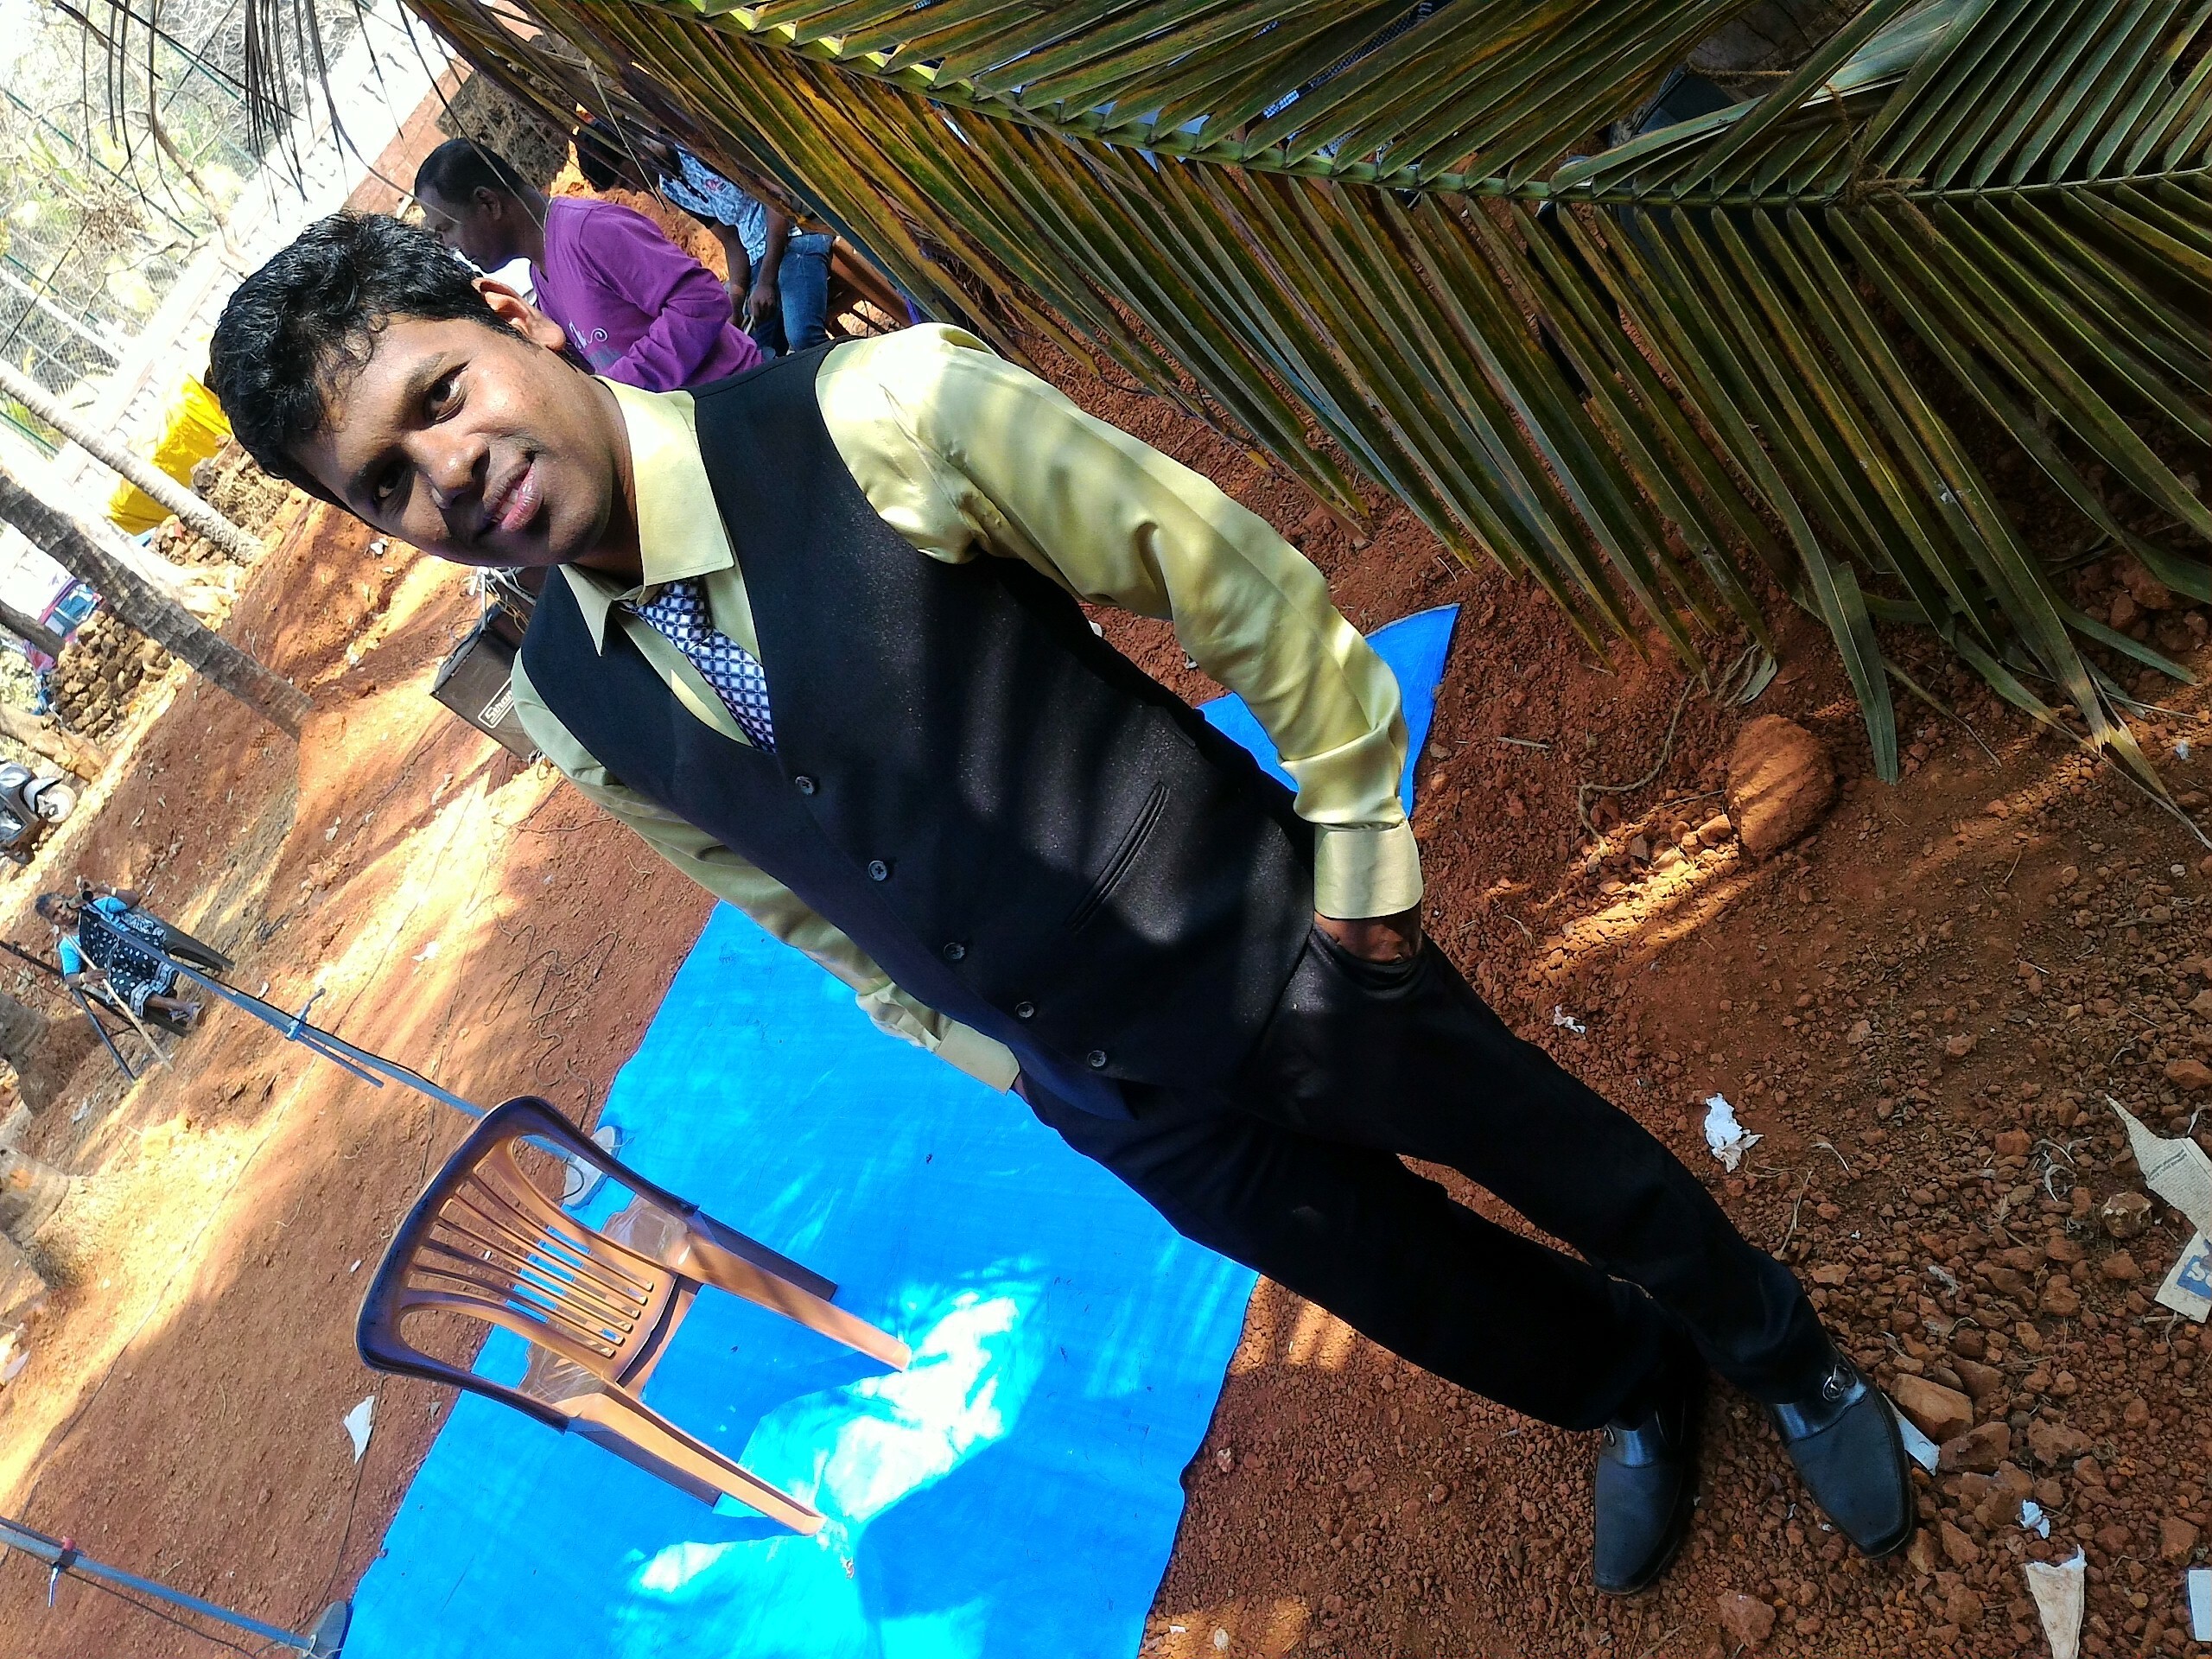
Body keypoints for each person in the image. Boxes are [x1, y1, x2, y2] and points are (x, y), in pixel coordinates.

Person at [206, 213, 1914, 1594]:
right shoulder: (566, 701)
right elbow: (781, 899)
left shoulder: (876, 414)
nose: (448, 474)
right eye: (385, 482)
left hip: (1270, 940)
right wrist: (993, 1058)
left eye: (438, 396)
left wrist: (1360, 863)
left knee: (1540, 1148)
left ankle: (1781, 1350)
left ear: (515, 318)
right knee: (1412, 1288)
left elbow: (1226, 579)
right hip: (1100, 1085)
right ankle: (1629, 1381)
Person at [411, 138, 760, 392]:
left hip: (741, 401)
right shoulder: (541, 276)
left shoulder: (589, 231)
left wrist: (620, 392)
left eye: (446, 229)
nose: (450, 246)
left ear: (488, 202)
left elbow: (700, 299)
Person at [573, 121, 836, 359]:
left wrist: (766, 281)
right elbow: (732, 243)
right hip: (762, 261)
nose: (632, 190)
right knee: (758, 355)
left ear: (632, 150)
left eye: (624, 179)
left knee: (802, 336)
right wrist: (735, 304)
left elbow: (777, 199)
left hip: (796, 233)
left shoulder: (695, 148)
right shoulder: (673, 188)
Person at [39, 887, 200, 1032]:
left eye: (61, 906)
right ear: (53, 922)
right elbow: (70, 977)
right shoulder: (68, 943)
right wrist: (84, 977)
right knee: (119, 985)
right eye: (55, 915)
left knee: (139, 954)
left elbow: (133, 899)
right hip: (114, 967)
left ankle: (177, 1007)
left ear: (67, 901)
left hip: (133, 943)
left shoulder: (96, 907)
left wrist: (102, 889)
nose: (62, 913)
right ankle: (183, 1006)